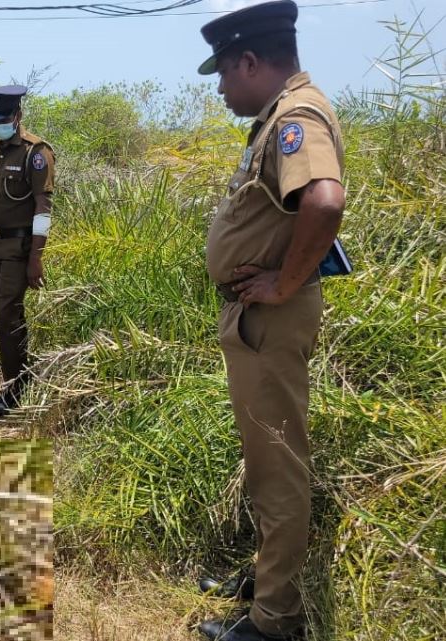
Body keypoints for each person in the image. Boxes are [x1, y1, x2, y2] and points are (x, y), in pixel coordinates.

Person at [195, 2, 347, 640]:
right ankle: (266, 577)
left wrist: (283, 286)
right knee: (265, 455)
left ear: (251, 61)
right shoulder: (277, 116)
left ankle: (275, 618)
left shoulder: (295, 115)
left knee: (277, 462)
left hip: (271, 318)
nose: (222, 86)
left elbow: (325, 199)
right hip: (258, 317)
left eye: (225, 73)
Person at [0, 85, 55, 418]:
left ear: (17, 116)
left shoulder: (36, 152)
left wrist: (37, 257)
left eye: (3, 118)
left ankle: (16, 391)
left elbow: (43, 207)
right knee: (6, 317)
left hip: (18, 249)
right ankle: (16, 385)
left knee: (6, 313)